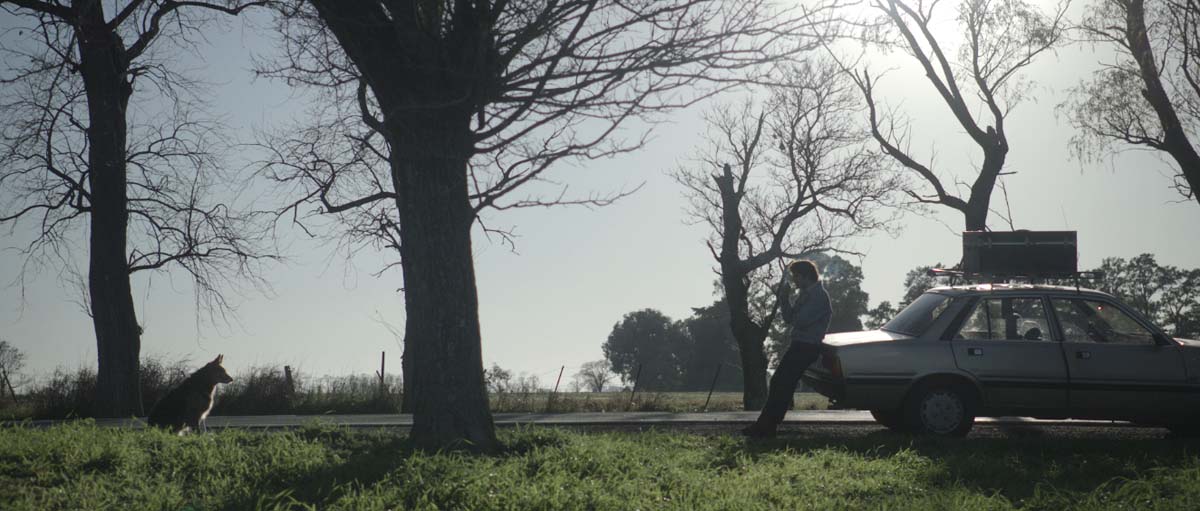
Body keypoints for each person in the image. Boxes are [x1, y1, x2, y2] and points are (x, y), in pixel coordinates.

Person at [742, 259, 832, 438]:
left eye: (796, 276)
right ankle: (766, 425)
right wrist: (784, 299)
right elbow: (789, 318)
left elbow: (799, 321)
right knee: (780, 383)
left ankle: (767, 426)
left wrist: (791, 305)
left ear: (806, 276)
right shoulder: (806, 294)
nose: (794, 280)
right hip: (799, 344)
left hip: (807, 346)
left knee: (781, 383)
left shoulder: (818, 297)